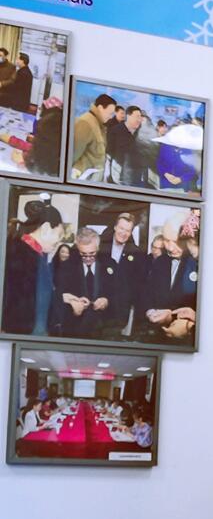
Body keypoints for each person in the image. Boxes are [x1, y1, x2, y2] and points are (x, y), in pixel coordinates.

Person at [2, 199, 65, 335]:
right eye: (59, 235)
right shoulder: (16, 254)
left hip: (35, 334)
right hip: (17, 334)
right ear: (46, 228)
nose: (59, 241)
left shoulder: (40, 256)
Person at [137, 217, 197, 342]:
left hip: (187, 337)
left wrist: (172, 317)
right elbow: (146, 292)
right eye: (166, 240)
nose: (170, 248)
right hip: (156, 334)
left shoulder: (197, 263)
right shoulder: (160, 261)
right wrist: (150, 312)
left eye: (174, 241)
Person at [53, 227, 116, 339]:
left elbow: (119, 294)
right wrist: (72, 304)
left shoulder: (110, 265)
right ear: (78, 248)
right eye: (83, 254)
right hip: (74, 331)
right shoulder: (66, 267)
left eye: (92, 253)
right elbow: (57, 296)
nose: (88, 258)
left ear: (98, 248)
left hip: (103, 331)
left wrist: (106, 301)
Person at [99, 212, 146, 336]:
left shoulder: (137, 253)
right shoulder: (100, 246)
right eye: (121, 228)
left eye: (127, 230)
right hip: (98, 305)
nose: (123, 233)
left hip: (120, 310)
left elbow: (138, 284)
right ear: (115, 227)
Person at [71, 94, 117, 179]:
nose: (111, 117)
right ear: (100, 108)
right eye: (110, 113)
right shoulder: (85, 123)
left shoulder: (99, 125)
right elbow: (72, 157)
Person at [106, 106, 144, 186]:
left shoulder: (141, 133)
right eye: (137, 117)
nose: (139, 120)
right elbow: (108, 152)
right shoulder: (115, 131)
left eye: (140, 117)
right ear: (128, 116)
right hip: (119, 178)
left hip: (137, 178)